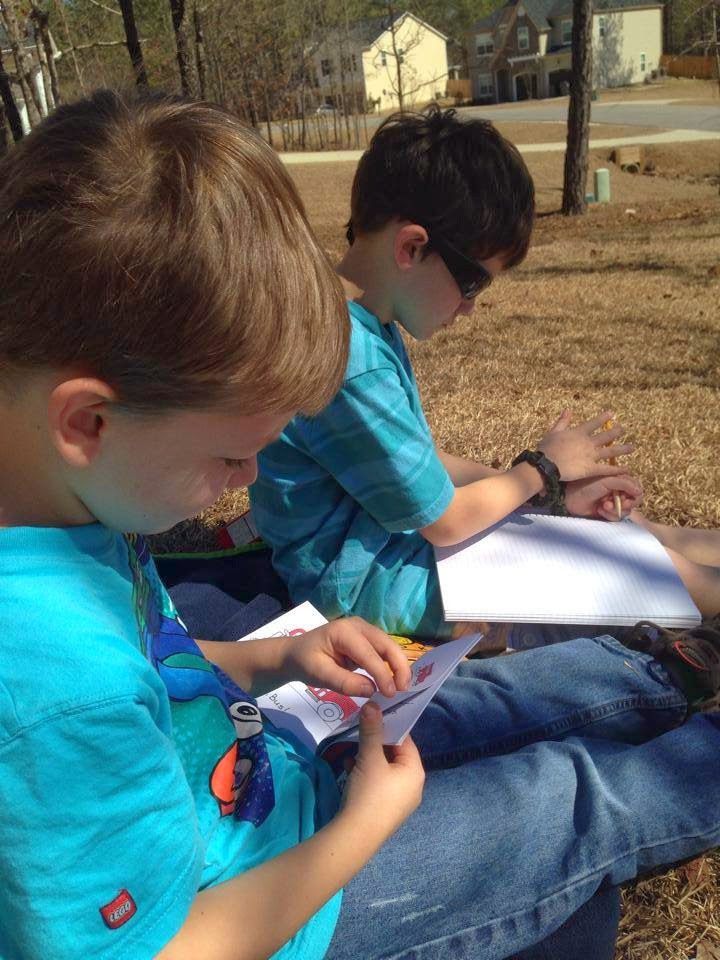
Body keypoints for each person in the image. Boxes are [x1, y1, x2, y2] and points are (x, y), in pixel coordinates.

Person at [2, 89, 719, 960]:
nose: (249, 481)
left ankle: (657, 668)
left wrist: (278, 658)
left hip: (270, 780)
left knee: (482, 701)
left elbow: (155, 663)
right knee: (569, 798)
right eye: (231, 456)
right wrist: (362, 828)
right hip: (292, 906)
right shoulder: (54, 689)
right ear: (87, 422)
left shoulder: (72, 512)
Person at [249, 106, 720, 642]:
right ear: (412, 247)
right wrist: (541, 470)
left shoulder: (355, 324)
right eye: (473, 284)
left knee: (636, 533)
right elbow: (445, 520)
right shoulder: (346, 358)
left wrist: (549, 494)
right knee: (638, 568)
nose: (471, 307)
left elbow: (421, 465)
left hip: (395, 551)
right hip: (372, 587)